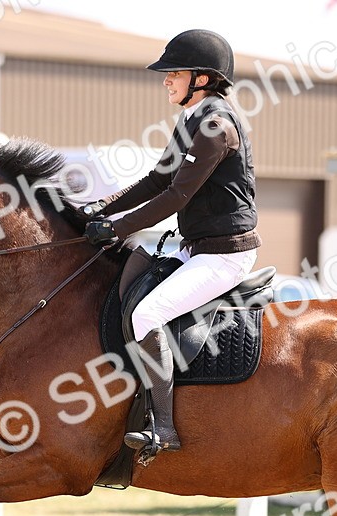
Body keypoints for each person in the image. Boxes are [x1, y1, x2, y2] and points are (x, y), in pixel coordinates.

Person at [82, 29, 261, 461]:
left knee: (149, 313)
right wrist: (99, 209)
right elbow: (158, 180)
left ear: (202, 78)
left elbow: (176, 196)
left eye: (173, 73)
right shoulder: (193, 118)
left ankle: (163, 427)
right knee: (128, 271)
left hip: (226, 253)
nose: (165, 81)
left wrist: (119, 228)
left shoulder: (217, 125)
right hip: (197, 245)